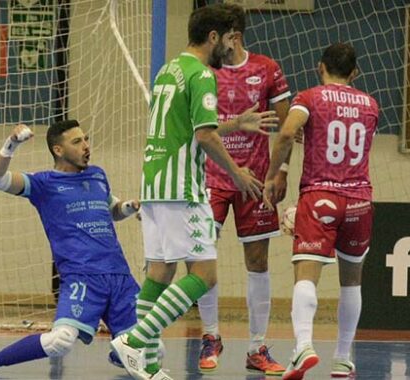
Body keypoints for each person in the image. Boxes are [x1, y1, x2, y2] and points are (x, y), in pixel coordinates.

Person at [110, 4, 278, 379]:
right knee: (205, 274)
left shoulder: (169, 70)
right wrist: (236, 173)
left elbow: (192, 124)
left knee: (160, 273)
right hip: (182, 188)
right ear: (214, 37)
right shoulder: (202, 74)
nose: (231, 49)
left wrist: (235, 122)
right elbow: (203, 136)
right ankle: (134, 340)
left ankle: (149, 367)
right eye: (229, 39)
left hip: (154, 184)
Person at [0, 120, 144, 374]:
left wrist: (128, 207)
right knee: (60, 340)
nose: (86, 146)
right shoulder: (43, 184)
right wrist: (11, 144)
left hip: (120, 277)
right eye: (77, 141)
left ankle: (121, 353)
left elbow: (111, 209)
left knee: (153, 350)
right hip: (82, 278)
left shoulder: (98, 175)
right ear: (58, 150)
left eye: (86, 139)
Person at [263, 43, 379, 380]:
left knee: (306, 276)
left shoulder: (310, 97)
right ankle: (342, 358)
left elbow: (286, 131)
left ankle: (303, 346)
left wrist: (272, 175)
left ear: (320, 67)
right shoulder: (371, 105)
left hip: (320, 196)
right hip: (359, 199)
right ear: (355, 72)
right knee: (351, 282)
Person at [196, 4, 290, 375]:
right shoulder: (204, 71)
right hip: (212, 178)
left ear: (233, 34)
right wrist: (238, 125)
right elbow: (198, 129)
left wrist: (280, 170)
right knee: (201, 258)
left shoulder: (266, 68)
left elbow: (287, 127)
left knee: (258, 261)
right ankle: (211, 335)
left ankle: (256, 348)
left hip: (255, 181)